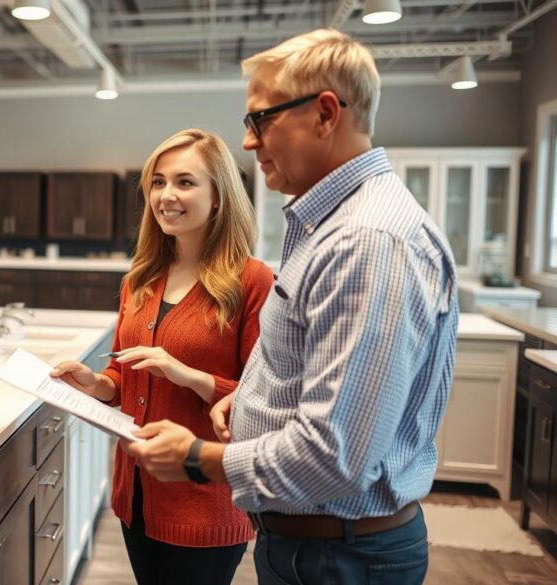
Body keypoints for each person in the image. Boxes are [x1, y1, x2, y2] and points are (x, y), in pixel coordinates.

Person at [125, 29, 458, 585]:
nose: (250, 143)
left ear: (325, 113)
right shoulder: (326, 228)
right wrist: (251, 405)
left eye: (261, 120)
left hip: (340, 556)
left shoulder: (368, 241)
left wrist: (197, 457)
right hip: (312, 547)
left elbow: (338, 456)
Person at [50, 129, 273, 585]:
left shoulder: (252, 281)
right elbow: (124, 372)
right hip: (136, 498)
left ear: (218, 197)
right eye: (158, 182)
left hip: (204, 503)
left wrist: (187, 375)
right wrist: (98, 384)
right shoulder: (141, 279)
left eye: (185, 182)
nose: (166, 195)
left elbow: (264, 401)